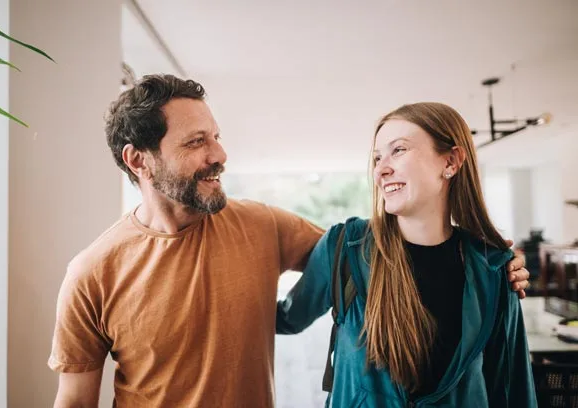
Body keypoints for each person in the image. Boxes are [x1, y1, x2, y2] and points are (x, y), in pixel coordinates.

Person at [48, 76, 530, 408]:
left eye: (215, 136)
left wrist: (498, 261)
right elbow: (74, 400)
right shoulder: (92, 272)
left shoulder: (263, 225)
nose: (220, 153)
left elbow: (371, 258)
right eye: (196, 142)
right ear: (138, 160)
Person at [277, 102, 537, 407]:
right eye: (377, 158)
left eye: (398, 150)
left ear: (450, 162)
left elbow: (513, 387)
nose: (380, 169)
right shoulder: (346, 246)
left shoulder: (492, 268)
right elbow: (285, 318)